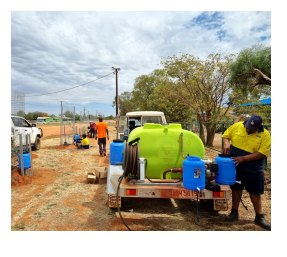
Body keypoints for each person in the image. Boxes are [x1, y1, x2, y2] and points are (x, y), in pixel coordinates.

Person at [222, 114, 271, 230]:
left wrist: (243, 159)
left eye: (252, 129)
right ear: (246, 122)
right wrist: (227, 144)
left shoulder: (265, 135)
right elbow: (225, 135)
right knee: (236, 187)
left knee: (255, 192)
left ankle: (259, 217)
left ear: (259, 127)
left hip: (253, 167)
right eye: (248, 127)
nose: (249, 129)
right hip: (236, 166)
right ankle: (234, 213)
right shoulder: (238, 126)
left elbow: (262, 153)